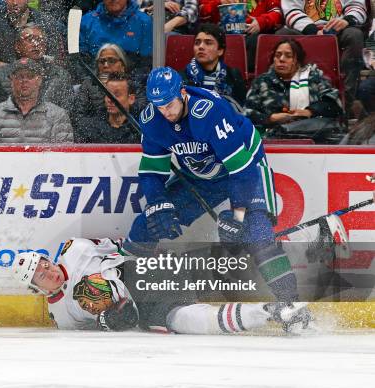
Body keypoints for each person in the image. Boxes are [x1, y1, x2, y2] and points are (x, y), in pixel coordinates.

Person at [124, 67, 311, 326]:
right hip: (201, 175)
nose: (165, 112)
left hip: (246, 168)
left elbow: (242, 172)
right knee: (146, 224)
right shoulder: (152, 119)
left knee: (258, 235)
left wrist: (237, 215)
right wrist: (158, 203)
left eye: (169, 104)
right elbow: (152, 172)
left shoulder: (210, 112)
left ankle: (293, 309)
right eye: (158, 107)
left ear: (182, 92)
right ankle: (126, 297)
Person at [12, 239, 310, 333]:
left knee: (229, 264)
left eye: (44, 263)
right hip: (146, 311)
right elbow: (102, 325)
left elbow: (122, 246)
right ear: (36, 288)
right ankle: (275, 312)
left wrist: (147, 256)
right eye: (39, 275)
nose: (48, 271)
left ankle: (307, 248)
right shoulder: (61, 316)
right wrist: (111, 319)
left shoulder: (75, 248)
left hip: (143, 273)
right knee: (188, 321)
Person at [0, 23, 73, 126]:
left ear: (45, 46)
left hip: (46, 133)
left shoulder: (60, 75)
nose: (35, 44)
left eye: (40, 40)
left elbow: (68, 114)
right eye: (30, 39)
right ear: (17, 46)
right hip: (8, 134)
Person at [244, 39, 343, 139]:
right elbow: (246, 113)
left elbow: (334, 105)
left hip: (315, 138)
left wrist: (309, 112)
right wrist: (271, 118)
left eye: (288, 56)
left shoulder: (313, 78)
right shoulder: (262, 82)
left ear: (298, 61)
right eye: (277, 55)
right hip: (274, 139)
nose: (281, 59)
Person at [278, 0, 368, 108]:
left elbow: (357, 6)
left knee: (354, 35)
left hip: (339, 29)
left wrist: (346, 21)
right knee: (281, 36)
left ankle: (345, 102)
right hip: (302, 29)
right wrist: (313, 31)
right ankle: (283, 102)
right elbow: (291, 10)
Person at [0, 57, 74, 143]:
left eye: (30, 76)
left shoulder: (57, 115)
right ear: (11, 80)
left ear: (39, 80)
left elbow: (62, 157)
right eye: (19, 76)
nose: (25, 81)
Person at [72, 43, 148, 127]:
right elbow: (79, 115)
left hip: (129, 131)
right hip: (97, 132)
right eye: (102, 61)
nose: (106, 65)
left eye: (111, 61)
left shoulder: (133, 83)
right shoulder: (89, 84)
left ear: (122, 65)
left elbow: (143, 111)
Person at [199, 0, 283, 71]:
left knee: (255, 40)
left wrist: (261, 22)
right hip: (221, 36)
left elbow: (277, 13)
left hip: (253, 36)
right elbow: (202, 14)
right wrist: (218, 2)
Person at [79, 0, 153, 77]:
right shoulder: (86, 22)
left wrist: (126, 85)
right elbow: (81, 64)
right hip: (96, 84)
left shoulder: (143, 22)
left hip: (130, 84)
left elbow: (146, 66)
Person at [181, 23, 247, 105]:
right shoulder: (182, 77)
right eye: (197, 43)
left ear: (220, 51)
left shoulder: (233, 76)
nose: (200, 47)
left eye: (208, 43)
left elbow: (241, 111)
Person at [74, 71, 141, 143]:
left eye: (117, 95)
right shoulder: (88, 127)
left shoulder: (141, 130)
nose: (110, 99)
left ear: (131, 99)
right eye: (107, 94)